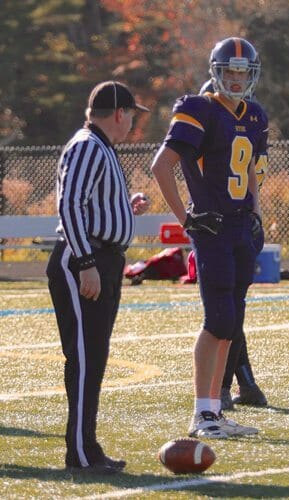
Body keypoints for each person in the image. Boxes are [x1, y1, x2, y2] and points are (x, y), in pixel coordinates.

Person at [151, 37, 268, 439]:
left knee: (232, 323)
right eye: (230, 71)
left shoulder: (254, 115)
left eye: (243, 72)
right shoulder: (198, 108)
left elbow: (251, 167)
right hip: (212, 227)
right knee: (217, 320)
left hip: (239, 227)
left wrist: (255, 214)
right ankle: (202, 413)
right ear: (216, 72)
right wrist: (187, 218)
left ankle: (216, 409)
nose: (236, 79)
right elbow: (161, 166)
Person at [47, 80, 150, 473]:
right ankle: (80, 453)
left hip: (99, 257)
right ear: (120, 113)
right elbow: (69, 204)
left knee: (95, 356)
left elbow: (88, 203)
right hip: (83, 258)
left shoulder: (99, 146)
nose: (132, 125)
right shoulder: (89, 145)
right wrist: (87, 263)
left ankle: (87, 447)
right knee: (85, 358)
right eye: (131, 116)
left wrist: (124, 207)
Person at [198, 78, 268, 410]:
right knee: (231, 309)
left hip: (231, 220)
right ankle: (245, 383)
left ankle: (222, 389)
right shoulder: (253, 122)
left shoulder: (240, 125)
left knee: (226, 311)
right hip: (243, 216)